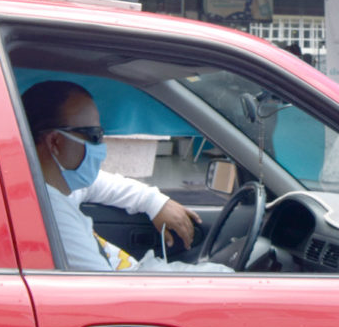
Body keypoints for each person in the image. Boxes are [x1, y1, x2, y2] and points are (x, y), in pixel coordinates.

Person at [22, 80, 204, 271]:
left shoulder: (57, 187)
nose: (101, 146)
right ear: (55, 142)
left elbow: (101, 184)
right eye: (94, 135)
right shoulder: (52, 215)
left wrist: (153, 202)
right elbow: (105, 294)